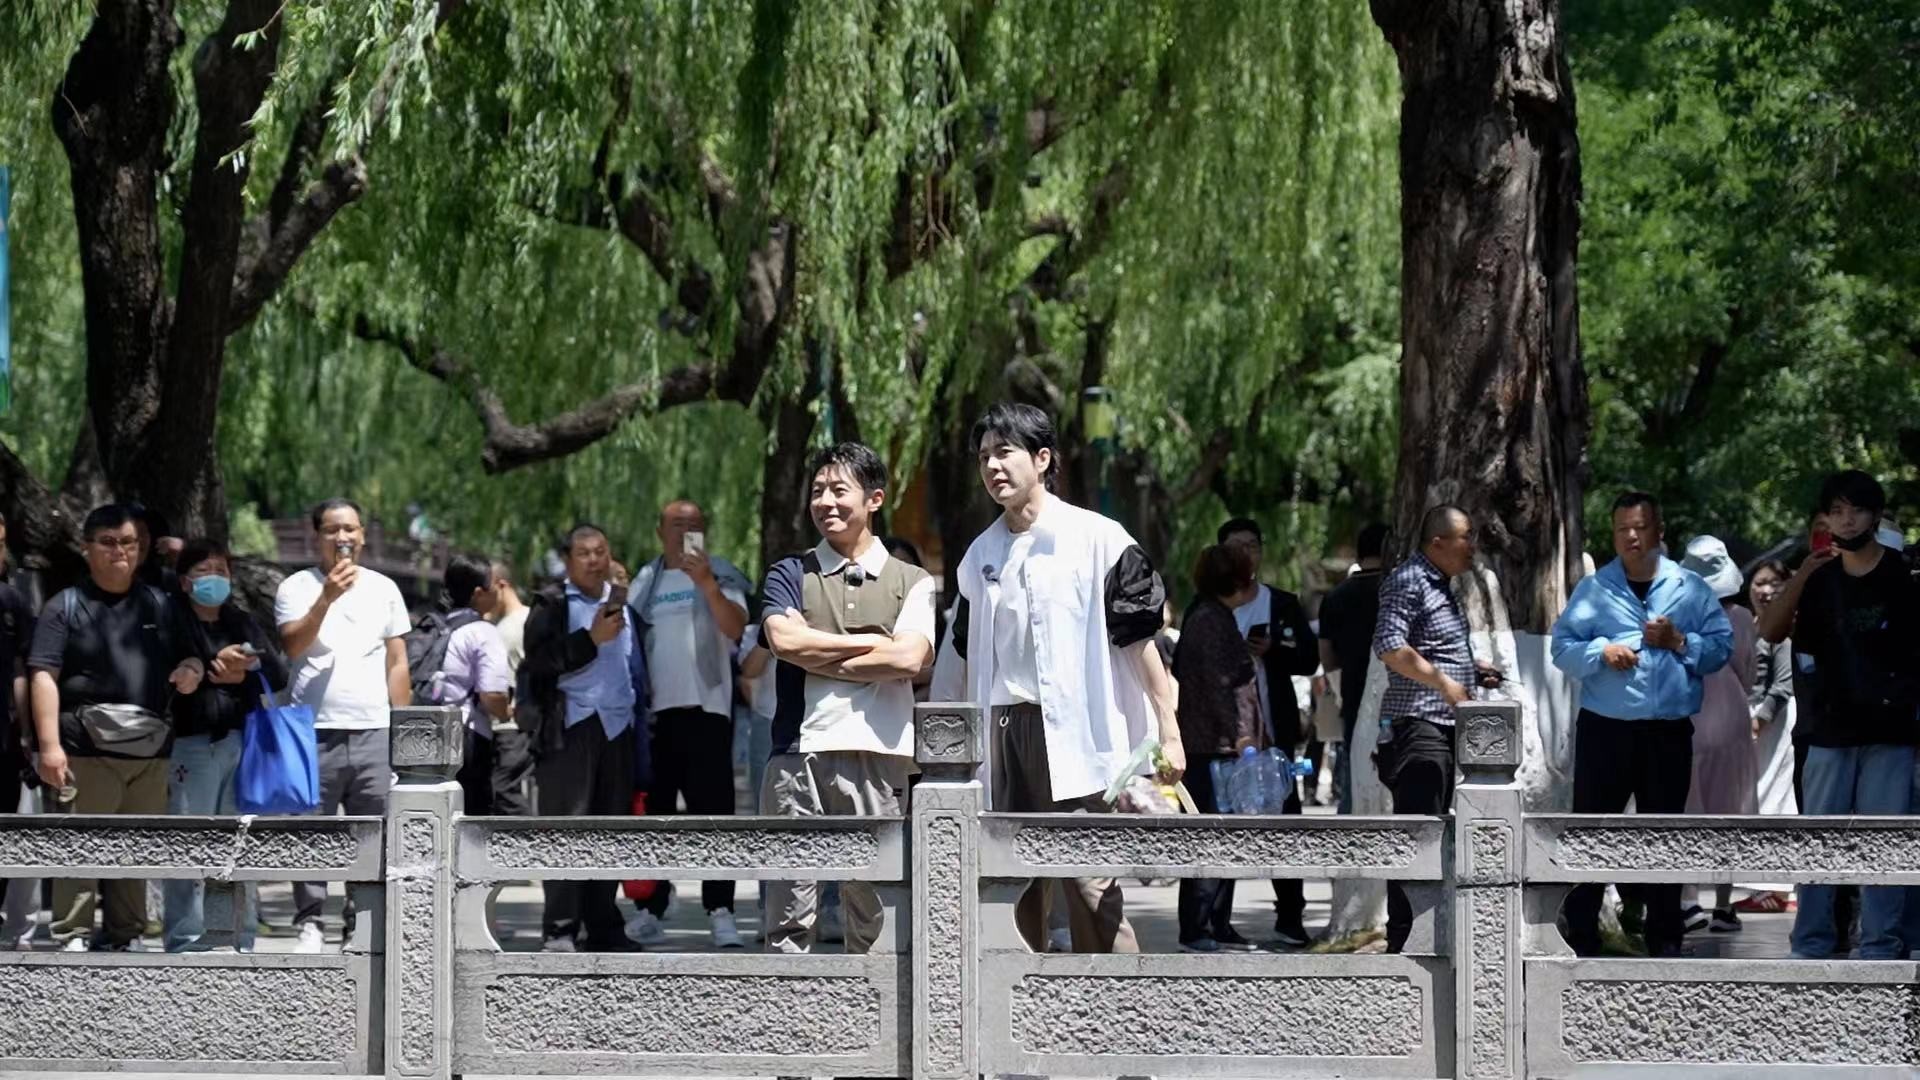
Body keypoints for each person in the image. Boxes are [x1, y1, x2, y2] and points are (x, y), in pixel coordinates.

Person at [942, 403, 1180, 954]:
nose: (992, 466)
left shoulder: (1098, 538)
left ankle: (1118, 997)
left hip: (1078, 733)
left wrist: (1169, 731)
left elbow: (1140, 639)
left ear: (1042, 459)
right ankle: (1023, 998)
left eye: (1005, 452)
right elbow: (963, 654)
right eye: (984, 456)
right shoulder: (980, 555)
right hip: (1005, 731)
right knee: (1013, 884)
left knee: (1090, 882)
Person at [758, 443, 936, 953]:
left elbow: (909, 659)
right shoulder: (789, 572)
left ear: (874, 499)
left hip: (879, 753)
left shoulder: (912, 580)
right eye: (818, 491)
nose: (825, 502)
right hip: (797, 754)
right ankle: (790, 1003)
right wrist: (874, 644)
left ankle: (873, 1007)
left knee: (874, 916)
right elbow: (784, 642)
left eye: (839, 490)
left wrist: (816, 651)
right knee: (788, 917)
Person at [1551, 492, 1733, 958]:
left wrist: (1680, 641)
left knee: (1664, 834)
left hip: (1667, 732)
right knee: (1591, 833)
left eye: (1640, 526)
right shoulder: (1595, 589)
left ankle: (1665, 938)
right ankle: (1581, 938)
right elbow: (1562, 648)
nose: (1631, 536)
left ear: (1659, 531)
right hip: (1605, 730)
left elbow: (1721, 649)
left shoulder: (1689, 587)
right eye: (1622, 529)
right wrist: (1602, 652)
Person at [1757, 472, 1919, 960]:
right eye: (1837, 511)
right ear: (1826, 518)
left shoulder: (1902, 577)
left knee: (1884, 843)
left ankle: (1880, 944)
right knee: (1819, 842)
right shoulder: (1819, 578)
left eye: (1857, 510)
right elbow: (1770, 630)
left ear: (1875, 516)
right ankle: (1810, 943)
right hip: (1827, 731)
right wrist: (1802, 575)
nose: (1847, 521)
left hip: (1890, 732)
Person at [27, 504, 205, 950]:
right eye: (107, 542)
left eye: (128, 542)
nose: (119, 551)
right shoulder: (64, 606)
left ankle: (127, 936)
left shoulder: (162, 604)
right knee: (79, 845)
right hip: (82, 751)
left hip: (150, 753)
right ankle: (72, 934)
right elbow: (43, 675)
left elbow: (191, 656)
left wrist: (191, 670)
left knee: (136, 849)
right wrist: (49, 746)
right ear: (87, 548)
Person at [276, 498, 413, 953]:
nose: (342, 537)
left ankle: (362, 922)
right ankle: (311, 921)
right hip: (312, 731)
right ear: (316, 536)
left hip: (373, 728)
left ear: (363, 535)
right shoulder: (296, 586)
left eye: (350, 528)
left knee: (372, 833)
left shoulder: (384, 588)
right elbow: (293, 645)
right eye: (332, 529)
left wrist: (401, 726)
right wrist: (327, 598)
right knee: (308, 832)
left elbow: (397, 661)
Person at [629, 500, 752, 949]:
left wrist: (706, 584)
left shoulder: (721, 574)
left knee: (714, 815)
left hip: (707, 709)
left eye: (694, 525)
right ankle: (651, 908)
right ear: (659, 531)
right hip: (655, 715)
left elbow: (736, 628)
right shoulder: (646, 581)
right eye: (676, 525)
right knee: (656, 816)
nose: (684, 533)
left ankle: (720, 910)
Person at [519, 524, 646, 952]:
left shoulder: (622, 603)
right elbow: (538, 663)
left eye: (601, 551)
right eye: (584, 553)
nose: (594, 560)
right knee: (566, 829)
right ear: (568, 561)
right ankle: (560, 928)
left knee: (609, 831)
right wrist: (590, 639)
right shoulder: (552, 604)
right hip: (570, 727)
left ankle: (604, 925)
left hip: (618, 728)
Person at [1373, 506, 1490, 954]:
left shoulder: (1440, 584)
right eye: (1466, 536)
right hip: (1418, 728)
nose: (1473, 546)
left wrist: (1472, 672)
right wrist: (1443, 682)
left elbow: (1430, 646)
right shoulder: (1409, 580)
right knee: (1418, 837)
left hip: (1441, 727)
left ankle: (1428, 935)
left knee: (1434, 834)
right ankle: (1405, 942)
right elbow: (1390, 645)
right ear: (1438, 542)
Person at [165, 539, 287, 952]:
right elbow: (172, 667)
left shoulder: (241, 620)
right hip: (192, 744)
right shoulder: (172, 618)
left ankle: (239, 935)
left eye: (221, 570)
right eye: (204, 571)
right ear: (185, 581)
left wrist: (246, 670)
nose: (214, 578)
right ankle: (185, 937)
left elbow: (277, 672)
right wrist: (213, 664)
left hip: (243, 743)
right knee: (189, 842)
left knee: (240, 841)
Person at [1214, 517, 1318, 947]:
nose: (1245, 554)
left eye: (1252, 545)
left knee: (1285, 822)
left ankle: (1290, 917)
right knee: (1222, 825)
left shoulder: (1282, 603)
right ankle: (1216, 920)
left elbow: (1309, 660)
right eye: (1235, 546)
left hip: (1276, 732)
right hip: (1226, 737)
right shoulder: (1211, 606)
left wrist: (1274, 652)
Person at [1173, 543, 1265, 953]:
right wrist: (1240, 733)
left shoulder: (1210, 615)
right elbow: (1219, 686)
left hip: (1220, 746)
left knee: (1227, 837)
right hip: (1213, 746)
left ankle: (1218, 922)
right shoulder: (1209, 620)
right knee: (1210, 836)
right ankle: (1197, 926)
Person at [1677, 535, 1758, 933]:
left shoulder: (1675, 615)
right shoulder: (1740, 618)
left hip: (1687, 713)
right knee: (1729, 810)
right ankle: (1724, 905)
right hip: (1731, 716)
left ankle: (1688, 900)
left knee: (1687, 807)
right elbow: (1748, 673)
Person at [1732, 557, 1797, 916]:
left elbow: (1783, 684)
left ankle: (1777, 887)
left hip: (1772, 721)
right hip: (1746, 718)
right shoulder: (1749, 624)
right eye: (1759, 583)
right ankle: (1766, 884)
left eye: (1774, 583)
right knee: (1753, 799)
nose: (1766, 590)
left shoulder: (1781, 629)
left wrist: (1760, 721)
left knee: (1773, 796)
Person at [436, 555, 514, 815]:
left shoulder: (435, 626)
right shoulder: (483, 631)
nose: (498, 590)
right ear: (479, 594)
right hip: (467, 736)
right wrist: (506, 712)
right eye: (493, 585)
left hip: (428, 729)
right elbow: (492, 694)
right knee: (472, 816)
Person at [1319, 523, 1388, 814]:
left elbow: (1326, 654)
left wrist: (1339, 692)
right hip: (1396, 697)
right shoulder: (1395, 590)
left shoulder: (1335, 596)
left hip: (1352, 693)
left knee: (1353, 770)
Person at [484, 560, 535, 816]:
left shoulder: (504, 630)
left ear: (501, 586)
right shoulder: (530, 618)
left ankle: (529, 836)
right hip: (526, 723)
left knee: (501, 790)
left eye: (486, 590)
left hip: (510, 726)